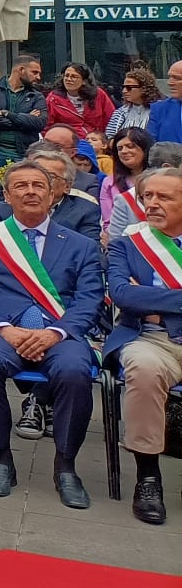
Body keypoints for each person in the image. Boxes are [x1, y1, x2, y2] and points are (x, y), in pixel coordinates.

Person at [0, 159, 105, 507]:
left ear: (53, 194)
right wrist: (4, 330)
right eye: (21, 186)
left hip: (59, 333)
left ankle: (66, 466)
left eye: (38, 185)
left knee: (74, 371)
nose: (30, 192)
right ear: (7, 195)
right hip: (1, 330)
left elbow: (90, 299)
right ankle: (1, 459)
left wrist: (56, 333)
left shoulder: (80, 245)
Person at [104, 166, 182, 524]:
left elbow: (139, 296)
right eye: (147, 196)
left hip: (160, 324)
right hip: (149, 338)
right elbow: (123, 295)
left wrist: (152, 298)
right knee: (144, 369)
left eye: (163, 197)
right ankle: (148, 477)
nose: (151, 203)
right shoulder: (128, 244)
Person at [0, 53, 50, 166]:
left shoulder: (36, 96)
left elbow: (39, 123)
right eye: (34, 72)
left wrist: (7, 114)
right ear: (21, 70)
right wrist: (25, 119)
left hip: (24, 153)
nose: (38, 77)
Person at [45, 61, 112, 146]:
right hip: (68, 145)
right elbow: (47, 126)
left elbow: (111, 119)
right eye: (66, 76)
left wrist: (106, 141)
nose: (69, 79)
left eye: (74, 77)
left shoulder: (98, 94)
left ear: (84, 81)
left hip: (97, 144)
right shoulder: (53, 99)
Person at [104, 127, 155, 238]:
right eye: (120, 148)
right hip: (122, 240)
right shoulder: (109, 182)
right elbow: (108, 221)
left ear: (145, 148)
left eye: (130, 146)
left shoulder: (160, 179)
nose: (124, 151)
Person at [107, 65, 158, 140]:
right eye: (123, 87)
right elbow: (109, 138)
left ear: (143, 88)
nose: (124, 91)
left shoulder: (158, 111)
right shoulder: (120, 112)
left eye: (129, 88)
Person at [146, 59, 182, 146]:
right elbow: (149, 145)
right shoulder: (159, 109)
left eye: (177, 78)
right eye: (170, 77)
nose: (169, 83)